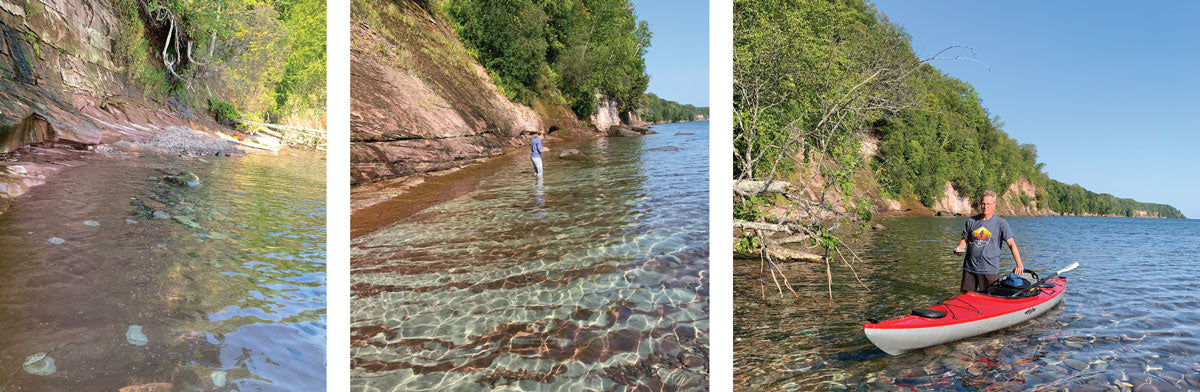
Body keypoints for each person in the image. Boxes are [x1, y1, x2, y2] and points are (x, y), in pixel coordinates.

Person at [953, 190, 1024, 293]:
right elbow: (964, 240)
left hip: (990, 270)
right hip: (970, 269)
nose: (985, 206)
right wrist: (960, 247)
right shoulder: (971, 221)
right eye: (983, 203)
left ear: (994, 205)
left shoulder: (1001, 223)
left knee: (989, 301)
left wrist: (1019, 264)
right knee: (965, 300)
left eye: (988, 204)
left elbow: (1011, 244)